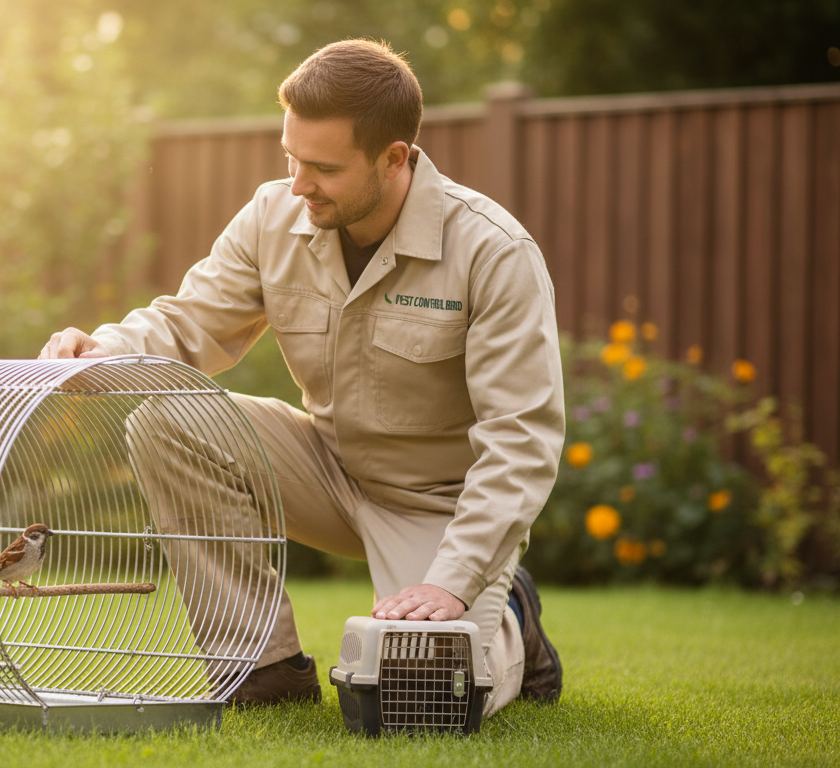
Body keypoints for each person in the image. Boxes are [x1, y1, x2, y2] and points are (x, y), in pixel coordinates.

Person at [40, 39, 564, 715]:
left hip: (442, 503)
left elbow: (522, 441)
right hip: (328, 467)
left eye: (321, 167)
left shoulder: (493, 252)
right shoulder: (273, 216)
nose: (297, 185)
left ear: (394, 159)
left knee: (422, 699)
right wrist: (98, 352)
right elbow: (188, 322)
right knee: (165, 421)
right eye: (290, 158)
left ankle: (513, 615)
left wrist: (456, 582)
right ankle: (263, 665)